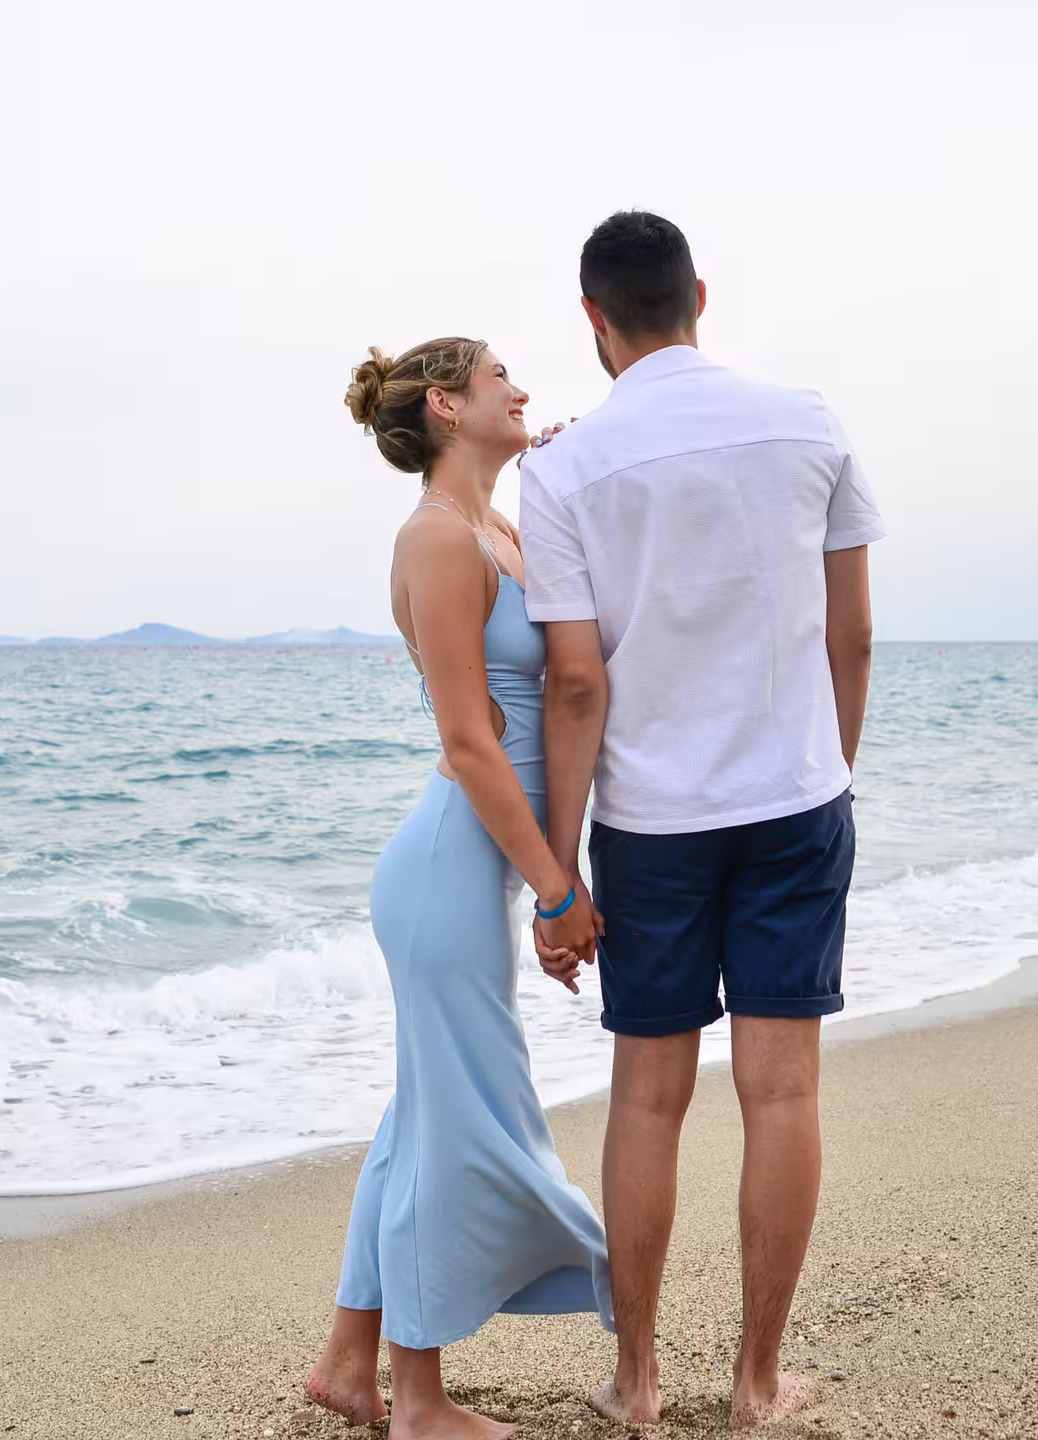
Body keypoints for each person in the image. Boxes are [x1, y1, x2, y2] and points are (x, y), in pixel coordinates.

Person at [520, 210, 883, 1429]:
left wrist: (559, 875)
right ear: (701, 297)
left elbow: (576, 684)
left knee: (648, 1096)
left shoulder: (563, 469)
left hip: (651, 821)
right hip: (794, 799)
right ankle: (757, 1381)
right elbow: (853, 633)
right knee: (781, 1093)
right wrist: (826, 770)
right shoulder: (807, 421)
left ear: (595, 319)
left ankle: (636, 1381)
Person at [302, 339, 612, 1440]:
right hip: (448, 870)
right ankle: (420, 1401)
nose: (520, 391)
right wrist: (556, 891)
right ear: (446, 404)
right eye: (497, 379)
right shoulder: (435, 538)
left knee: (421, 1115)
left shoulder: (504, 531)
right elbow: (471, 743)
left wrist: (572, 470)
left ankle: (349, 1363)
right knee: (456, 1125)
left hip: (481, 870)